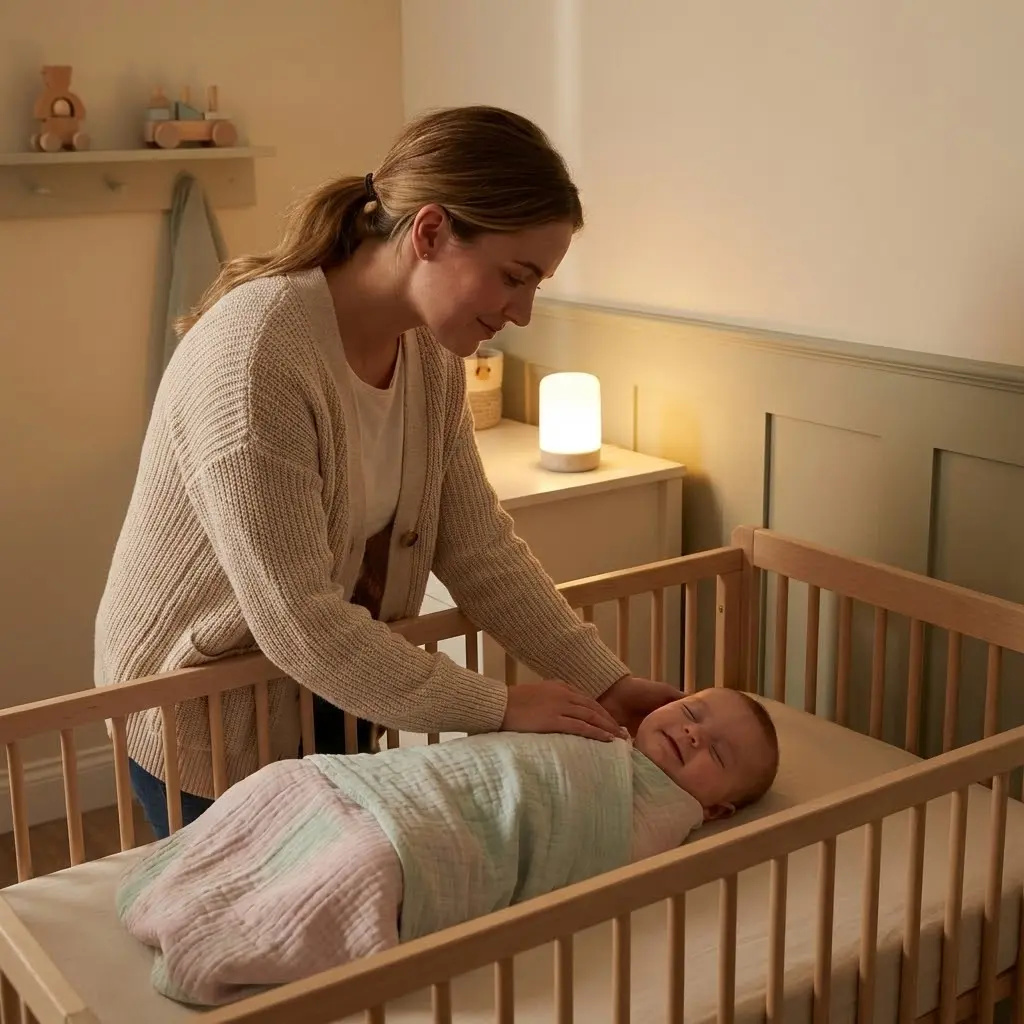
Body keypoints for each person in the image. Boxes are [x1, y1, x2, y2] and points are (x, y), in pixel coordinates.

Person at [94, 104, 682, 841]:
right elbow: (300, 622)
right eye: (514, 276)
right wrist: (499, 706)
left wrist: (608, 680)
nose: (524, 312)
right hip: (210, 714)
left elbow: (478, 548)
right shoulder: (257, 360)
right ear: (430, 232)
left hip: (335, 689)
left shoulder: (430, 357)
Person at [116, 687, 780, 1006]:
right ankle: (191, 890)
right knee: (292, 779)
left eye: (715, 752)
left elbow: (596, 850)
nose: (693, 736)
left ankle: (215, 935)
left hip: (432, 834)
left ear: (715, 807)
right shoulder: (599, 733)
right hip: (404, 785)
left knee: (371, 862)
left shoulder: (668, 816)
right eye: (692, 714)